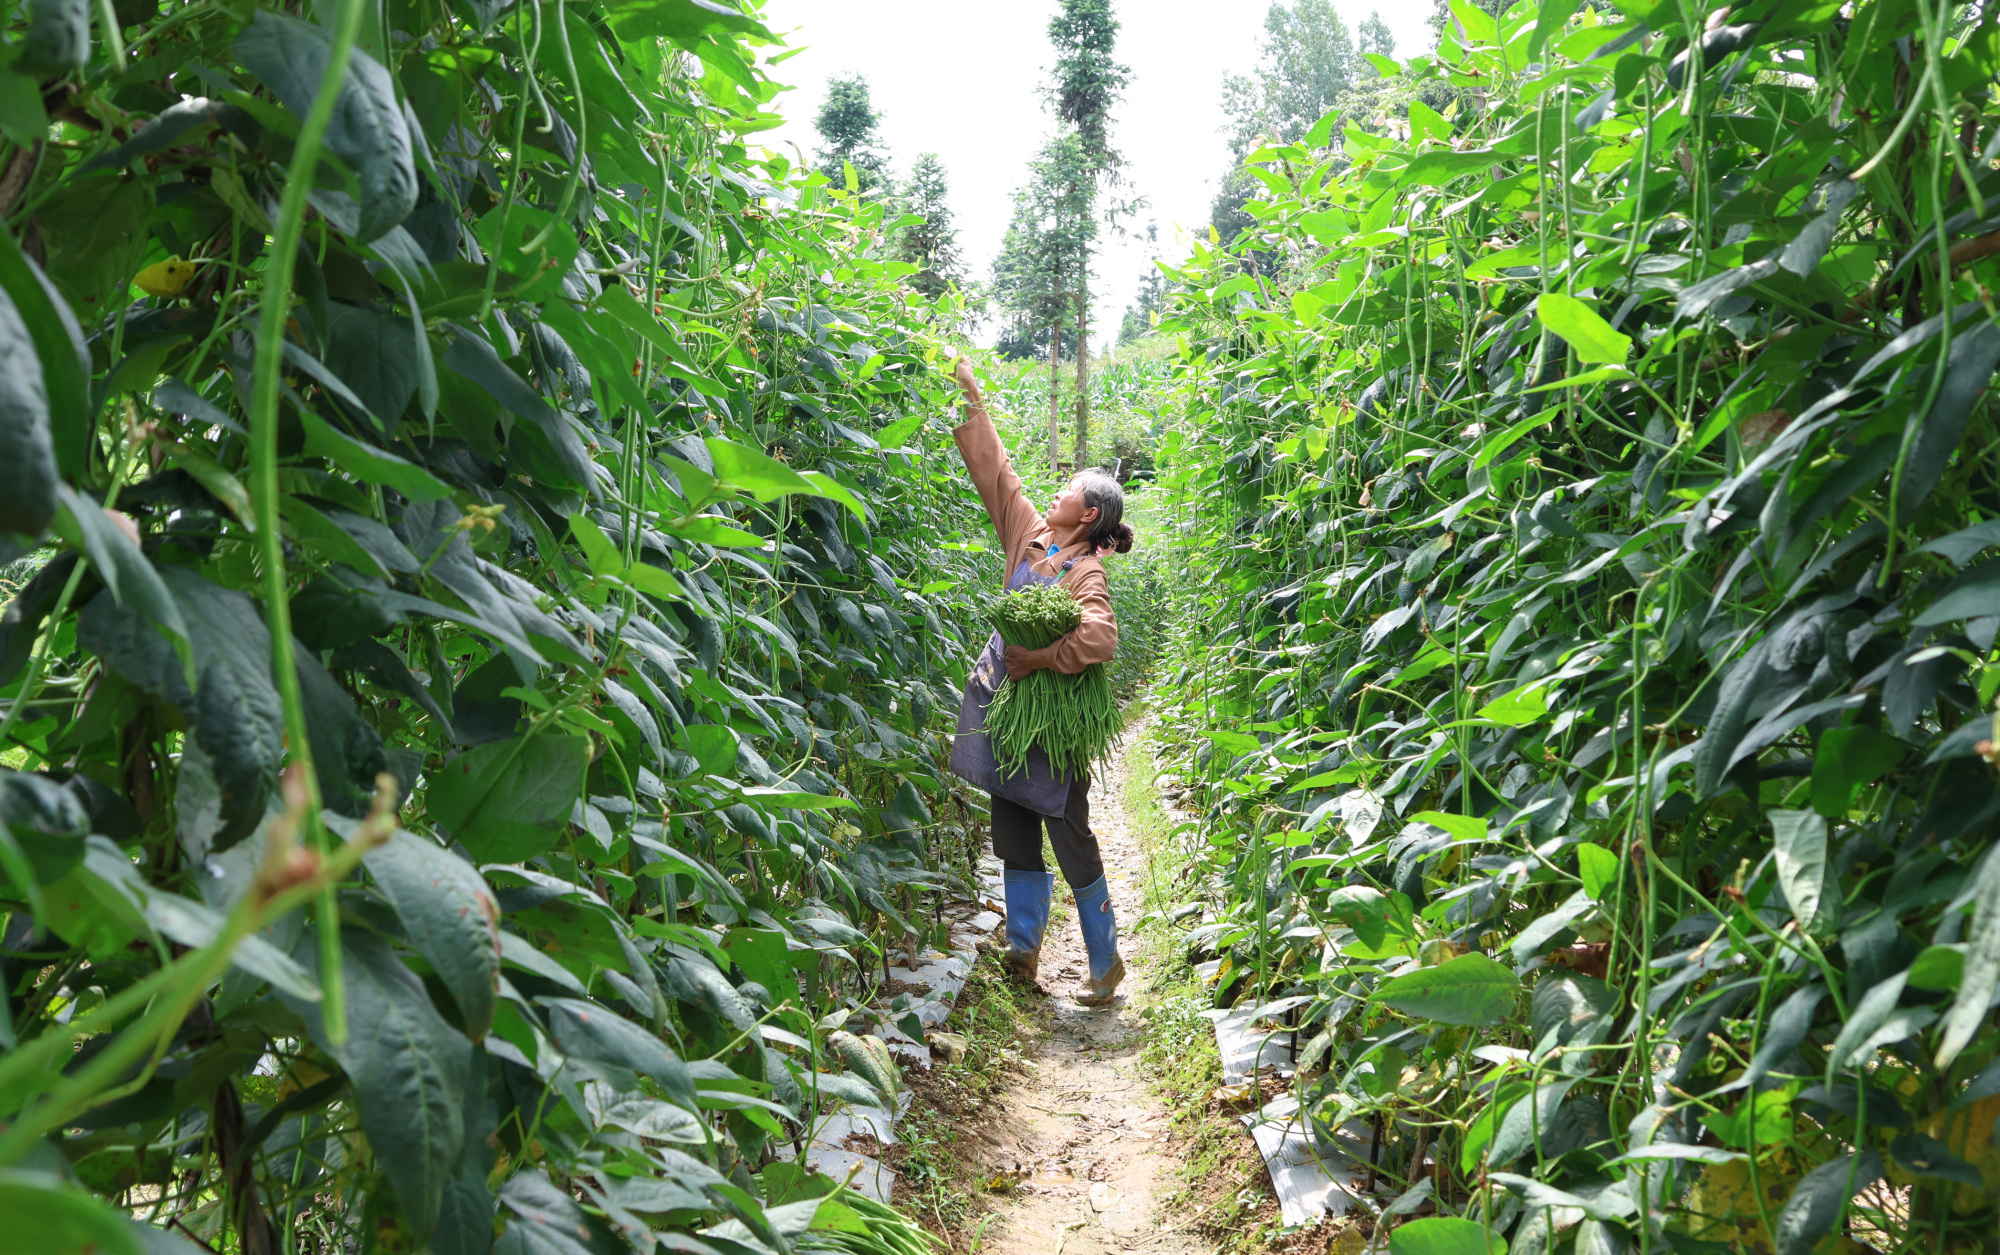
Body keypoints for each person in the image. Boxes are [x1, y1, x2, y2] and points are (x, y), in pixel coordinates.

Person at [949, 357, 1136, 1007]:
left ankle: (1105, 961)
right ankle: (1023, 953)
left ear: (1087, 514)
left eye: (1068, 490)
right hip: (1010, 717)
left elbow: (1100, 636)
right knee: (1013, 828)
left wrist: (1042, 657)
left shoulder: (1084, 571)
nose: (1053, 492)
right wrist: (967, 392)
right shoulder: (1027, 535)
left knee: (1071, 834)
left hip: (1053, 728)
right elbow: (994, 470)